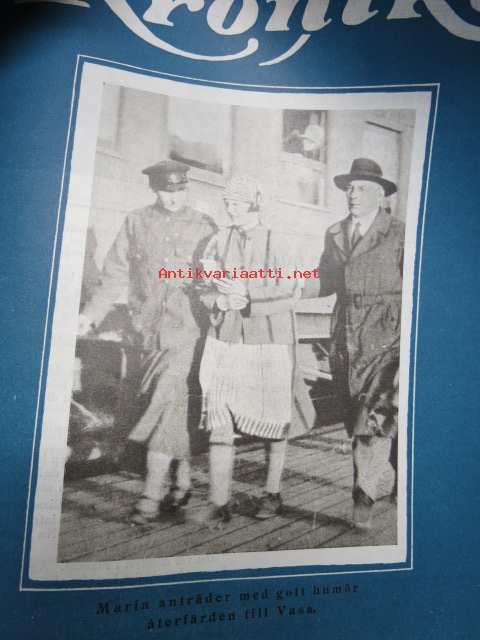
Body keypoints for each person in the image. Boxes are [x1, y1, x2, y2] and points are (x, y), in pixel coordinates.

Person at [78, 159, 216, 524]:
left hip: (187, 332)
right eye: (165, 191)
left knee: (165, 403)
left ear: (186, 188)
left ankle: (150, 496)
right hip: (145, 334)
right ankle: (182, 482)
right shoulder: (135, 222)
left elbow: (220, 276)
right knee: (167, 409)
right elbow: (114, 275)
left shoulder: (204, 225)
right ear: (153, 189)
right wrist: (90, 315)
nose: (173, 198)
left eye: (179, 190)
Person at [197, 175, 302, 523]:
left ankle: (272, 492)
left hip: (268, 339)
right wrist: (219, 300)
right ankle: (219, 501)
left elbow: (292, 289)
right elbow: (201, 285)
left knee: (273, 417)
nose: (231, 209)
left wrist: (248, 294)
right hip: (225, 337)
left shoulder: (277, 241)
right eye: (227, 202)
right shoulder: (218, 239)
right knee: (220, 414)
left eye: (238, 203)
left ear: (255, 204)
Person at [318, 157, 403, 530]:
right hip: (347, 337)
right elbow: (324, 281)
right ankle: (395, 477)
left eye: (362, 188)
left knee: (373, 416)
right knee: (363, 415)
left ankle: (363, 496)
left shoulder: (399, 234)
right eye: (350, 188)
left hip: (388, 336)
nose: (353, 194)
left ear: (380, 195)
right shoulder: (335, 233)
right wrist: (284, 281)